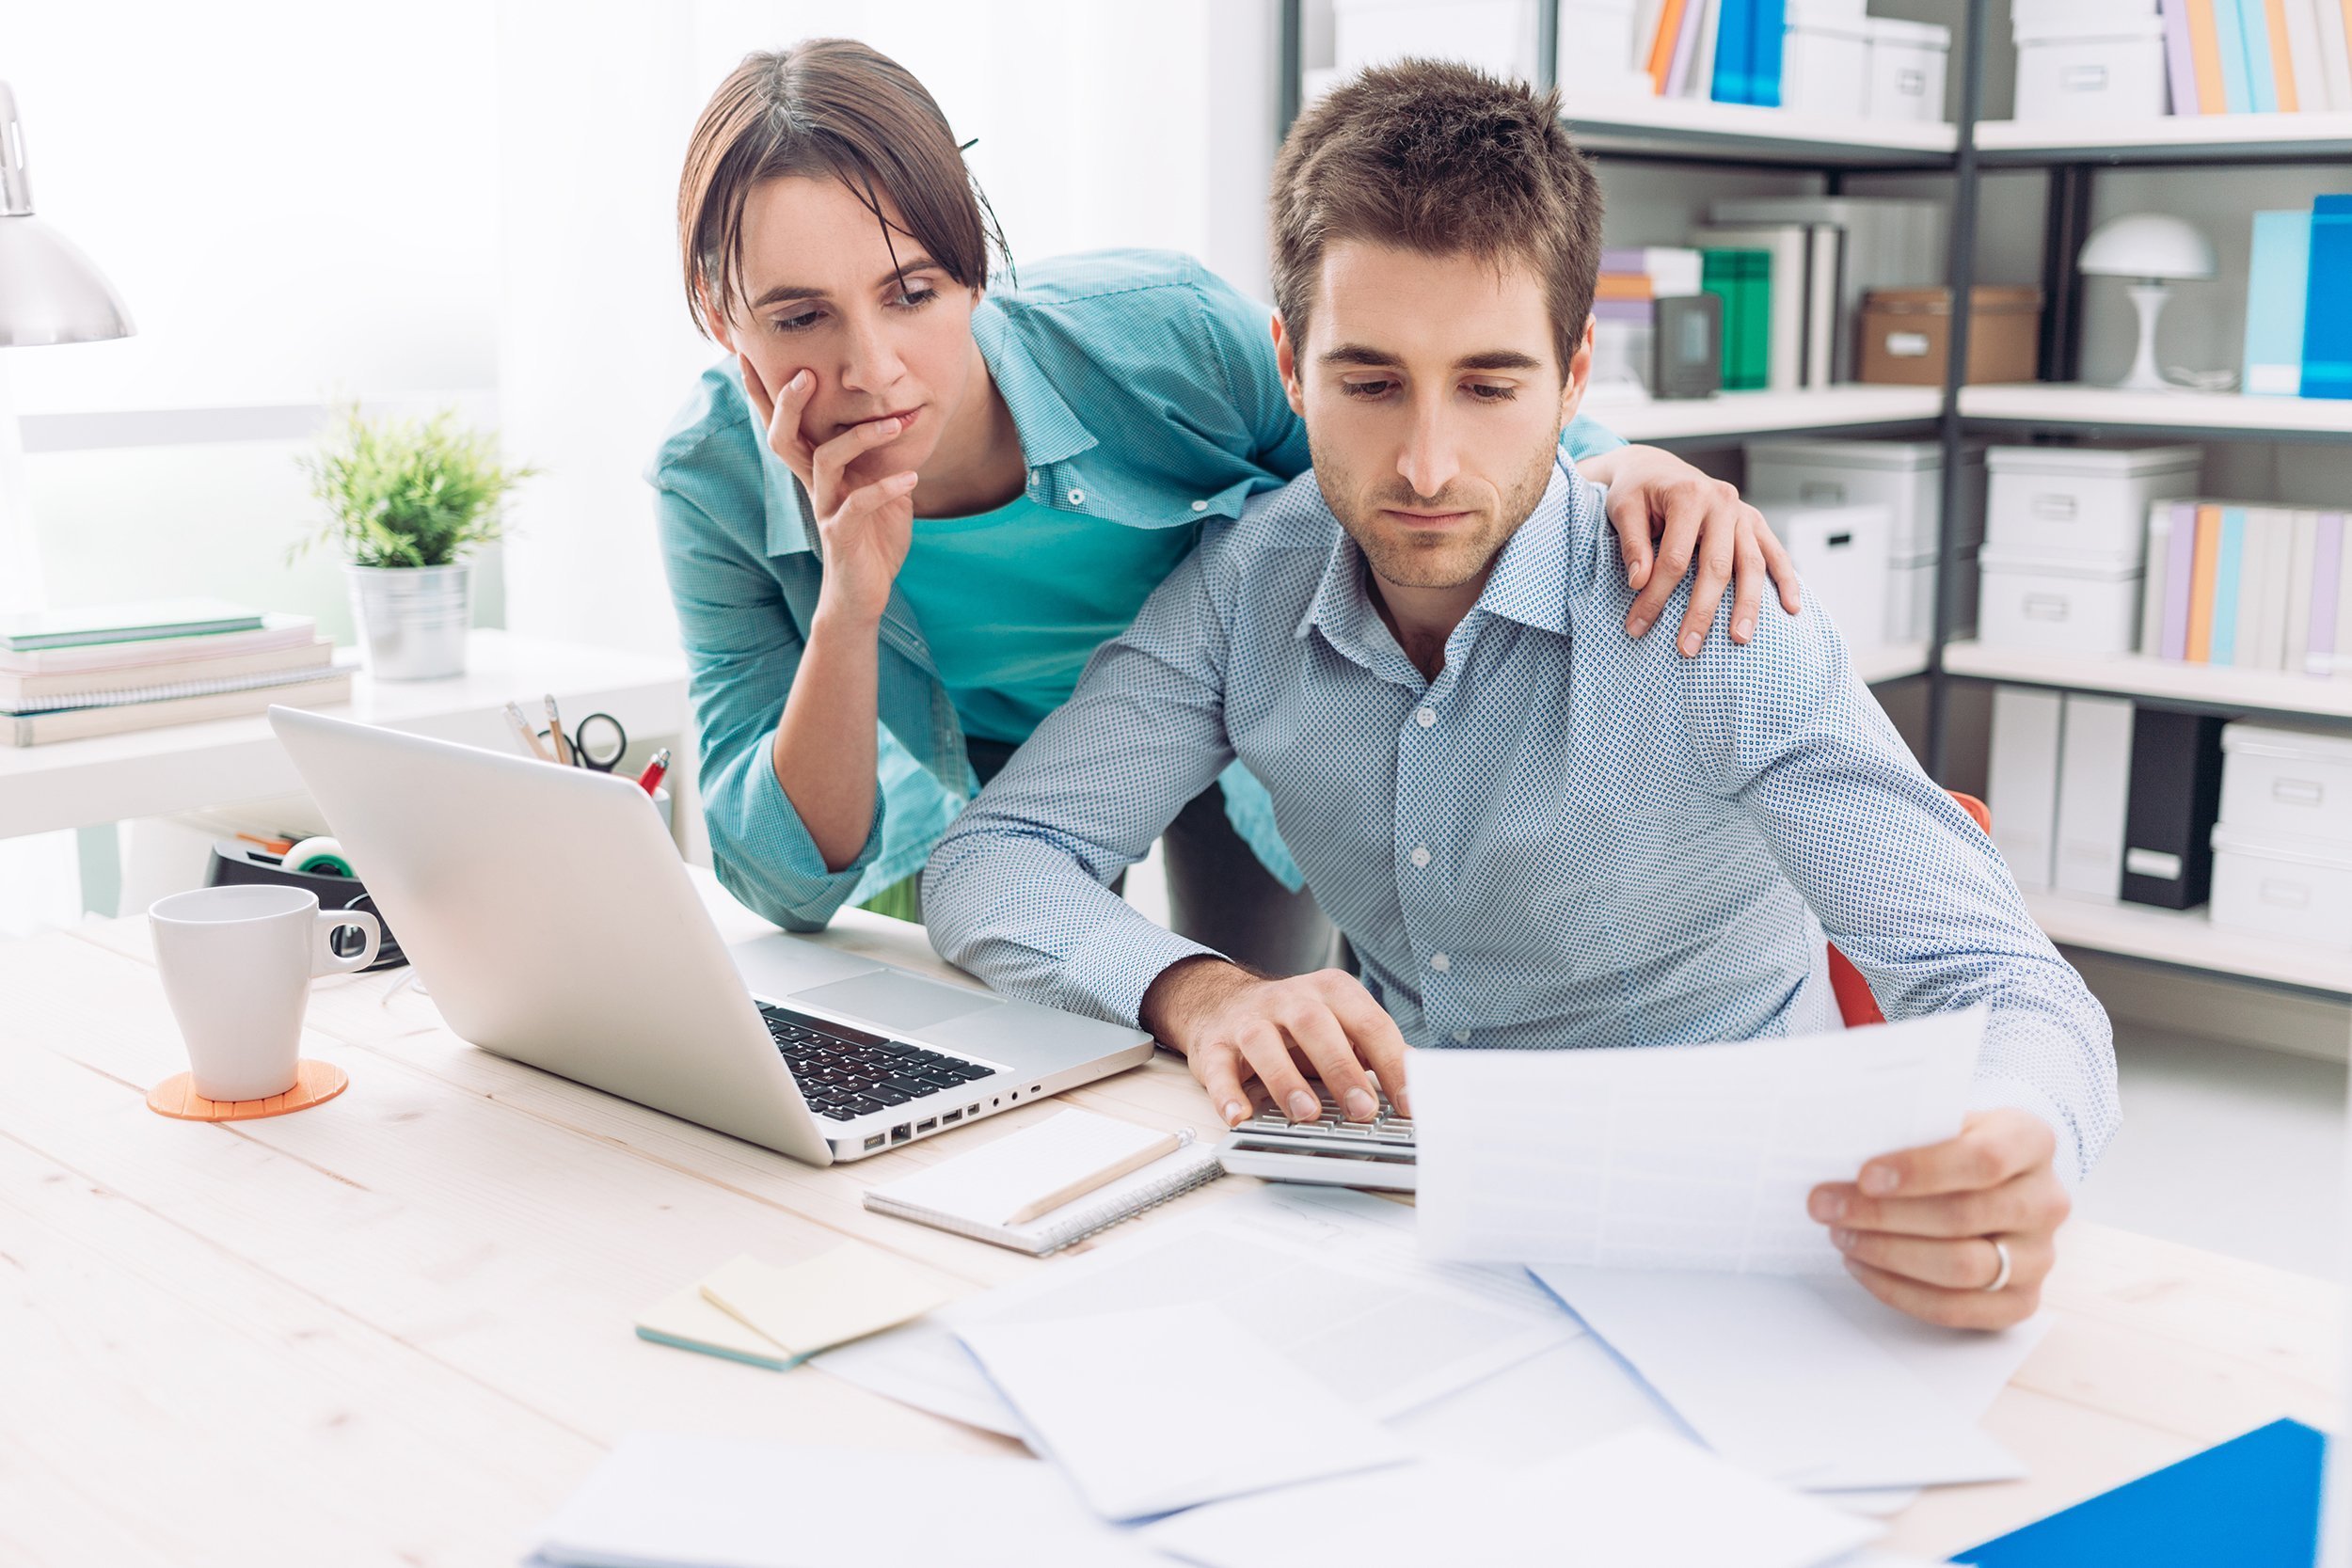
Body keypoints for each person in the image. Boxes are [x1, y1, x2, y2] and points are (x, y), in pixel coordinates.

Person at [923, 59, 2119, 1331]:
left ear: (1574, 371)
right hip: (1397, 1212)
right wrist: (1202, 989)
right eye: (1371, 383)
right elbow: (994, 859)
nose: (1428, 464)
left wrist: (2015, 1143)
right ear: (1291, 361)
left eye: (1490, 386)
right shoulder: (1243, 589)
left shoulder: (1711, 610)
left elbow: (2006, 982)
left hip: (1727, 1237)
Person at [645, 38, 1803, 977]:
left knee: (1262, 1035)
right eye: (798, 317)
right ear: (720, 314)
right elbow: (786, 880)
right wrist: (850, 603)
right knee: (993, 1034)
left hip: (1212, 712)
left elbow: (1404, 416)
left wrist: (1625, 465)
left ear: (974, 261)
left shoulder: (1165, 337)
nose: (874, 369)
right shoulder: (712, 478)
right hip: (976, 761)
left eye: (912, 293)